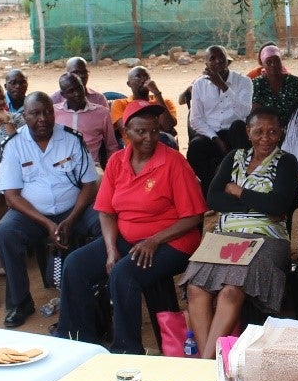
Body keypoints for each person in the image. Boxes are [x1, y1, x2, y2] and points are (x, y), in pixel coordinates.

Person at [59, 102, 205, 354]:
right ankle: (78, 339)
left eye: (154, 131)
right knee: (75, 264)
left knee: (124, 274)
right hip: (128, 238)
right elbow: (105, 211)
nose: (149, 138)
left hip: (173, 241)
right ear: (125, 133)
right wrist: (111, 248)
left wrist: (154, 241)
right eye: (141, 132)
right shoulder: (117, 162)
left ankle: (127, 349)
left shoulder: (173, 162)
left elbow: (193, 217)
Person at [185, 108, 298, 357]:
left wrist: (238, 192)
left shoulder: (286, 162)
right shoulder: (233, 158)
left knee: (231, 290)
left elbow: (278, 205)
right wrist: (258, 202)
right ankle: (208, 364)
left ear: (280, 133)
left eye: (272, 132)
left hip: (265, 237)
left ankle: (205, 362)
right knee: (196, 289)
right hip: (225, 236)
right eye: (258, 131)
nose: (265, 138)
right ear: (248, 132)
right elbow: (214, 198)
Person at [0, 93, 100, 329]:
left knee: (105, 225)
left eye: (47, 112)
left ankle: (99, 294)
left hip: (74, 209)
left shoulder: (72, 139)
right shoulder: (14, 145)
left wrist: (71, 219)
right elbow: (11, 197)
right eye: (35, 113)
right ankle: (20, 302)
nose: (42, 118)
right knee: (5, 232)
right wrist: (47, 224)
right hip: (32, 214)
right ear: (24, 116)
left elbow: (89, 185)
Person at [186, 45, 253, 191]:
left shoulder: (244, 81)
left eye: (221, 57)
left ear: (227, 60)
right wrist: (215, 138)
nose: (217, 61)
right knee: (195, 148)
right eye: (212, 59)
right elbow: (195, 120)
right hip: (211, 134)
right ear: (206, 64)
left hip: (236, 134)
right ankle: (210, 191)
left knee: (238, 127)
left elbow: (246, 113)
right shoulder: (199, 84)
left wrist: (224, 86)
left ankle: (241, 188)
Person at [54, 72, 118, 165]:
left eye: (79, 88)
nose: (77, 93)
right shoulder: (53, 112)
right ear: (63, 94)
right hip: (61, 167)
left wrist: (111, 170)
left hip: (91, 167)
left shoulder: (102, 113)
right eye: (71, 91)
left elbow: (111, 146)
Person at [110, 66, 179, 143]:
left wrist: (157, 93)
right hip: (135, 150)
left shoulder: (165, 102)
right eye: (138, 77)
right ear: (129, 84)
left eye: (147, 77)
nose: (143, 80)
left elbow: (168, 126)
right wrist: (158, 127)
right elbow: (128, 130)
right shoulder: (120, 104)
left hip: (162, 147)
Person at [251, 44, 298, 126]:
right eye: (268, 62)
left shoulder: (293, 81)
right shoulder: (257, 83)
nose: (273, 64)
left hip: (293, 125)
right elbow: (256, 111)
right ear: (263, 64)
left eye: (277, 60)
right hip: (268, 126)